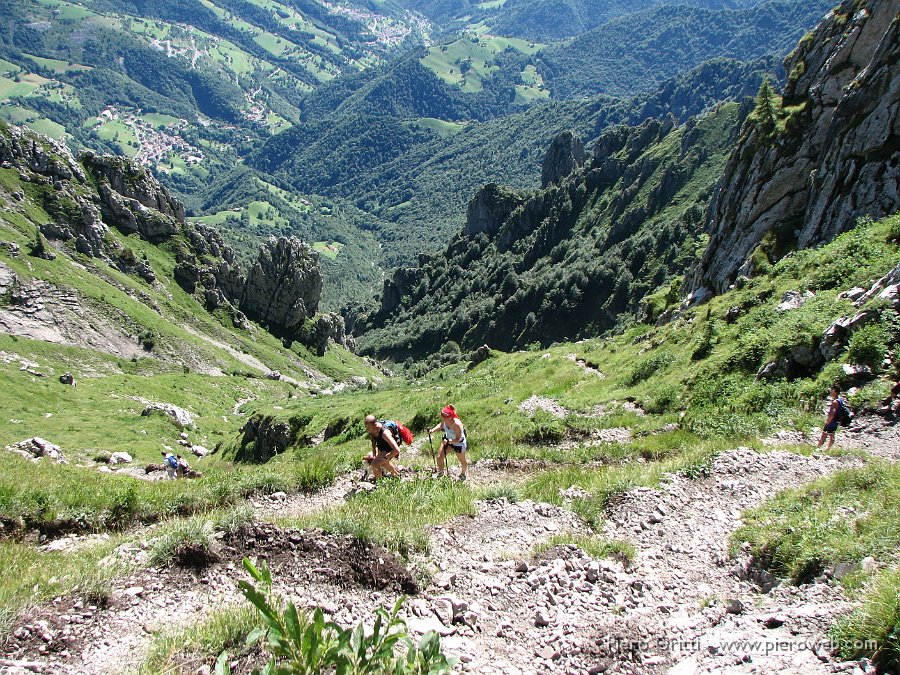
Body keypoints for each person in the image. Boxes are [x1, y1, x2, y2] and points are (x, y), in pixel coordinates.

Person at [429, 404, 468, 480]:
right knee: (439, 457)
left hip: (459, 444)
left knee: (462, 460)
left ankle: (463, 473)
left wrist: (449, 441)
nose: (443, 417)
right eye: (442, 416)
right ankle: (441, 473)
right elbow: (441, 425)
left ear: (451, 416)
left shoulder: (457, 424)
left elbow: (459, 439)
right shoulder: (445, 420)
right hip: (447, 440)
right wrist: (432, 430)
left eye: (445, 416)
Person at [363, 415, 401, 481]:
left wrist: (388, 455)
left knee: (375, 464)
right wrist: (374, 454)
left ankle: (380, 484)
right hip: (382, 446)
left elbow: (397, 450)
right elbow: (373, 443)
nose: (367, 430)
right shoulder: (373, 431)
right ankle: (397, 476)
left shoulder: (385, 433)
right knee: (384, 463)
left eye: (369, 428)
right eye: (366, 428)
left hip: (390, 448)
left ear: (374, 425)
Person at [817, 385, 846, 450]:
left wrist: (827, 422)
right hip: (836, 421)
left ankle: (818, 447)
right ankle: (829, 449)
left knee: (824, 434)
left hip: (832, 421)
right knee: (832, 435)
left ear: (836, 392)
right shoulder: (840, 400)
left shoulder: (835, 402)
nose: (830, 391)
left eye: (832, 390)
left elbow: (832, 414)